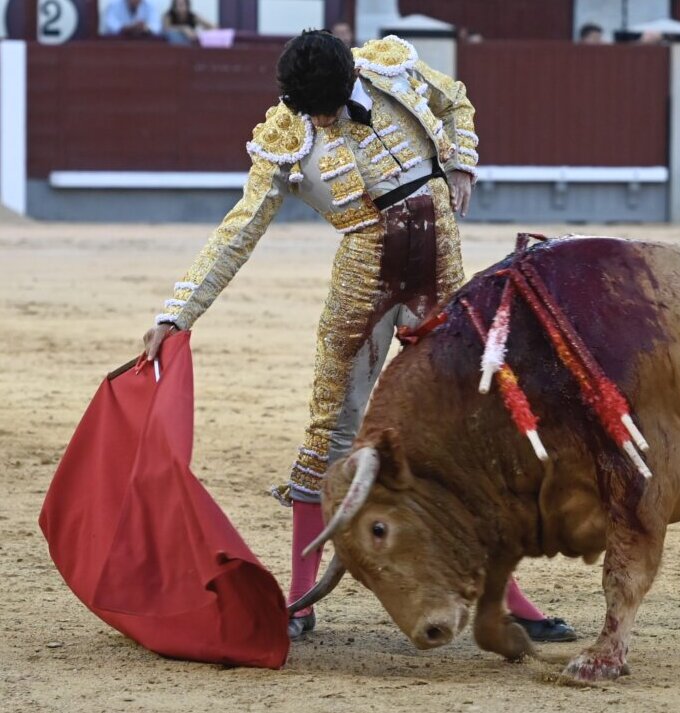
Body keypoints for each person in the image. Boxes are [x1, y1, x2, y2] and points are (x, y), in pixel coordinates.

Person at [141, 31, 575, 644]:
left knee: (473, 431)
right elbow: (237, 231)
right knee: (332, 433)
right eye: (308, 109)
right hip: (364, 279)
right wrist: (177, 313)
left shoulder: (391, 70)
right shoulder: (287, 137)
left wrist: (461, 163)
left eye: (325, 106)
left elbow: (457, 103)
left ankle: (507, 600)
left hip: (441, 271)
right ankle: (298, 599)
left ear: (350, 79)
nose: (318, 119)